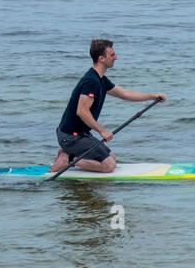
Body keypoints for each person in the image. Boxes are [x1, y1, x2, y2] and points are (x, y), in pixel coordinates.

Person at [49, 39, 165, 174]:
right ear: (101, 58)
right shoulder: (91, 81)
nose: (116, 58)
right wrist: (102, 131)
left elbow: (125, 94)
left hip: (81, 135)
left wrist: (153, 96)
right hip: (70, 137)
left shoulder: (101, 80)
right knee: (109, 166)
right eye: (112, 55)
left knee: (111, 158)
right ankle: (68, 160)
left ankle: (66, 154)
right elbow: (81, 111)